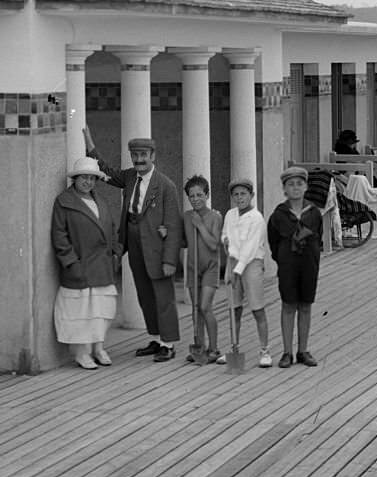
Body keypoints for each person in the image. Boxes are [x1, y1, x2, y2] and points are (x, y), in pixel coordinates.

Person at [84, 128, 183, 362]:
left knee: (163, 296)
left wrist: (170, 260)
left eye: (143, 155)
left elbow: (174, 225)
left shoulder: (166, 186)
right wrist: (89, 144)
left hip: (157, 249)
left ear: (153, 156)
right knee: (145, 295)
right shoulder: (130, 177)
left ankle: (168, 344)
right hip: (135, 242)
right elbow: (105, 171)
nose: (139, 159)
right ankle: (157, 338)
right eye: (135, 155)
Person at [50, 157, 121, 370]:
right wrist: (71, 263)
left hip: (102, 266)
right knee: (80, 311)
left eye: (92, 178)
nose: (88, 182)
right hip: (80, 266)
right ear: (75, 179)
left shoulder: (101, 201)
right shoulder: (64, 202)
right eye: (84, 178)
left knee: (101, 309)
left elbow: (112, 228)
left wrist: (116, 252)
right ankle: (82, 353)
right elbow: (59, 235)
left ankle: (98, 348)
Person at [267, 166, 321, 368]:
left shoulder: (314, 213)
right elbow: (273, 241)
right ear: (284, 189)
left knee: (305, 305)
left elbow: (318, 237)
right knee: (289, 305)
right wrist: (282, 258)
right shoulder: (279, 215)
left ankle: (303, 350)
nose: (296, 188)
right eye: (291, 184)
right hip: (288, 266)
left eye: (299, 183)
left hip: (308, 265)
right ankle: (287, 352)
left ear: (306, 186)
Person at [221, 178, 272, 368]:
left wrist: (237, 270)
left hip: (250, 264)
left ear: (251, 195)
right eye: (236, 194)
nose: (239, 197)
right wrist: (225, 241)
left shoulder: (257, 218)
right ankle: (234, 347)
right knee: (234, 308)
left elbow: (250, 248)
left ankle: (265, 350)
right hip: (232, 261)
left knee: (257, 307)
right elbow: (225, 234)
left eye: (243, 194)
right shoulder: (230, 214)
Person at [179, 175, 223, 364]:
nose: (195, 199)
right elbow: (182, 241)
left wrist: (200, 225)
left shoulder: (215, 217)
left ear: (207, 194)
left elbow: (214, 244)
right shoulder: (186, 217)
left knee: (205, 307)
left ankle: (214, 348)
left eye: (199, 195)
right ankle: (199, 346)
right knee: (196, 309)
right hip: (192, 267)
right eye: (191, 196)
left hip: (210, 267)